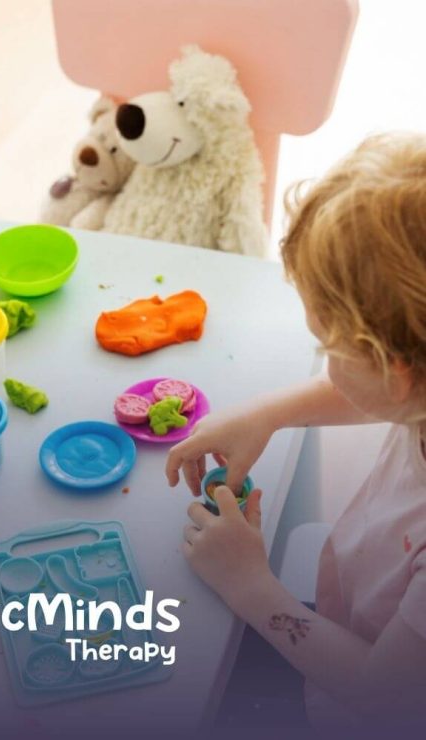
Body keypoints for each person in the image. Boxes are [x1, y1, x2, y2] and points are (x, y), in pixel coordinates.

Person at [166, 133, 426, 730]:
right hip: (359, 617)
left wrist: (250, 586)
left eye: (329, 348)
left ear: (399, 371)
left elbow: (386, 694)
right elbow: (384, 398)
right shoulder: (415, 389)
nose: (324, 361)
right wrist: (269, 411)